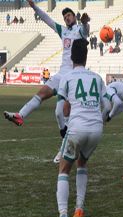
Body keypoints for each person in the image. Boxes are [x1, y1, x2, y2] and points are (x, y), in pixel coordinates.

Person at [3, 0, 90, 164]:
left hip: (73, 77)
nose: (67, 19)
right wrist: (34, 7)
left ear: (74, 17)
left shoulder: (80, 30)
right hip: (61, 74)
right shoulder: (62, 31)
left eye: (69, 16)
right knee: (41, 93)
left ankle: (64, 148)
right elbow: (46, 19)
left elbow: (86, 31)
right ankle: (20, 115)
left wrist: (85, 22)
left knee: (60, 113)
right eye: (65, 17)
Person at [52, 39, 110, 217]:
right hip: (96, 129)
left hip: (76, 128)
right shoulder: (96, 77)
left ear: (71, 57)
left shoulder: (67, 77)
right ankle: (79, 209)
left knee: (64, 169)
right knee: (82, 163)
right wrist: (99, 119)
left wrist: (63, 129)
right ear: (86, 57)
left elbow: (59, 111)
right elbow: (109, 105)